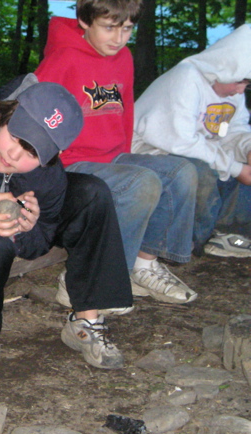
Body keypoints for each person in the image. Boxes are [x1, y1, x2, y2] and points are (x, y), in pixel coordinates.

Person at [0, 74, 133, 370]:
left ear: (52, 156)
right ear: (5, 115)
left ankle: (86, 320)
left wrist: (28, 228)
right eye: (15, 138)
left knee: (93, 193)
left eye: (32, 152)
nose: (14, 155)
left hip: (4, 226)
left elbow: (39, 241)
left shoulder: (47, 175)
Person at [34, 0, 199, 305]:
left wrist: (127, 155)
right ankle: (85, 280)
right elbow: (35, 111)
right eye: (109, 27)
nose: (118, 38)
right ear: (85, 21)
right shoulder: (64, 58)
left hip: (111, 157)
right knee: (142, 182)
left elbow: (126, 113)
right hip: (71, 163)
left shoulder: (124, 57)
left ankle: (143, 265)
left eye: (127, 28)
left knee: (181, 172)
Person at [133, 24, 251, 258]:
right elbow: (181, 141)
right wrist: (237, 168)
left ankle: (227, 233)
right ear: (226, 66)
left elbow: (233, 130)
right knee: (201, 171)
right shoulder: (186, 77)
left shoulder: (232, 93)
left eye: (246, 85)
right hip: (151, 153)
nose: (240, 91)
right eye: (240, 81)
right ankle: (189, 240)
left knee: (235, 162)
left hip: (194, 150)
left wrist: (247, 147)